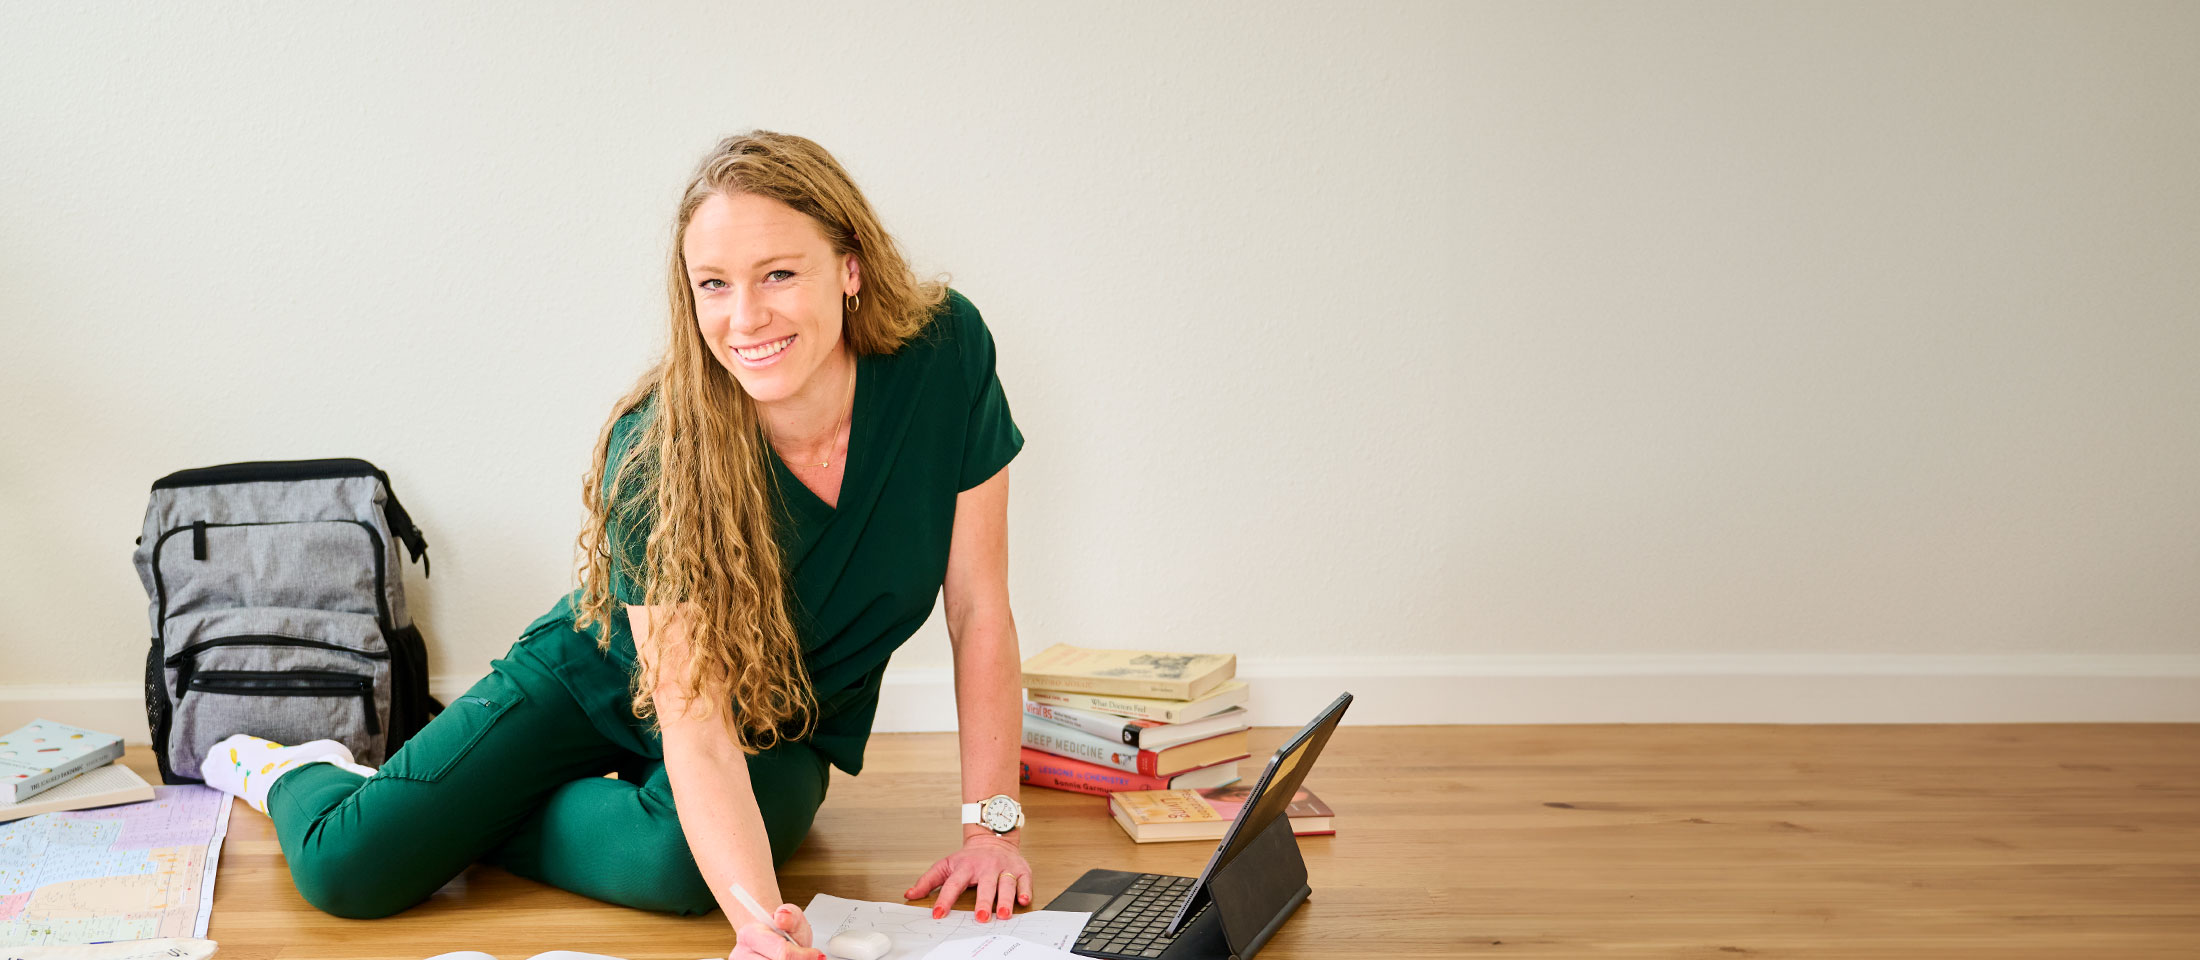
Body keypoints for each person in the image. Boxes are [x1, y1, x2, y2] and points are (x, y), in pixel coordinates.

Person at [197, 130, 1033, 960]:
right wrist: (756, 924)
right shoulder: (657, 450)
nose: (746, 318)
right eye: (714, 285)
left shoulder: (944, 354)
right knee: (348, 867)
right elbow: (692, 719)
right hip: (606, 673)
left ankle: (469, 808)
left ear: (850, 267)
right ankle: (295, 771)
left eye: (779, 273)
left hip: (783, 723)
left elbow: (978, 609)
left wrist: (990, 829)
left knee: (679, 869)